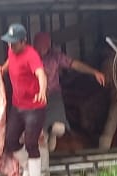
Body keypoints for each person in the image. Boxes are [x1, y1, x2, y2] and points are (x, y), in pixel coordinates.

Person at [31, 30, 106, 162]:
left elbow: (74, 64)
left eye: (45, 47)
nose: (42, 50)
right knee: (41, 135)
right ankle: (43, 167)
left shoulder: (55, 57)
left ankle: (52, 135)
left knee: (59, 128)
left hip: (53, 95)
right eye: (39, 46)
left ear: (48, 46)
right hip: (35, 98)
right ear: (34, 45)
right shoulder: (29, 57)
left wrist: (94, 72)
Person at [0, 22, 50, 176]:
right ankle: (28, 169)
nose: (10, 45)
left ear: (23, 41)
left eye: (14, 42)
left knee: (31, 143)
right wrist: (1, 70)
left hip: (34, 107)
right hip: (18, 106)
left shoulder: (31, 55)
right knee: (10, 141)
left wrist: (42, 91)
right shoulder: (12, 51)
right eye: (8, 42)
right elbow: (10, 61)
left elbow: (41, 73)